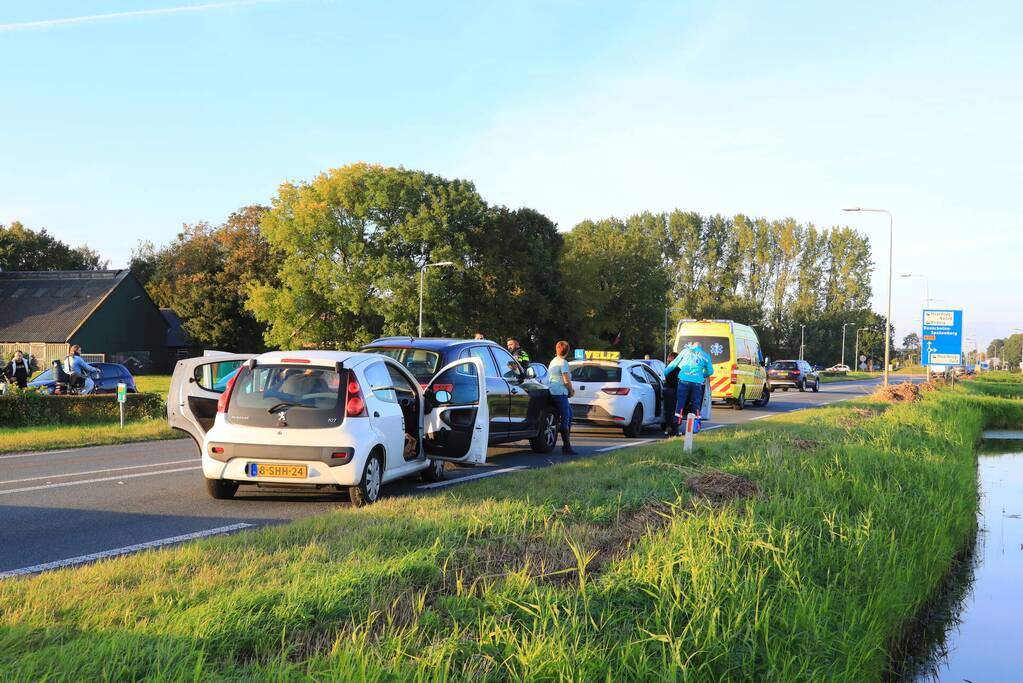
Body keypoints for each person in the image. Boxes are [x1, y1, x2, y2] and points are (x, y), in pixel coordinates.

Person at [664, 341, 714, 433]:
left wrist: (664, 373)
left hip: (684, 381)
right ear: (700, 348)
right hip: (697, 383)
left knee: (680, 404)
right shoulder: (706, 356)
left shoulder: (685, 351)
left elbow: (673, 364)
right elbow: (710, 371)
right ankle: (696, 428)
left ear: (692, 347)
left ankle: (676, 427)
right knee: (696, 405)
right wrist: (701, 375)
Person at [547, 340, 577, 455]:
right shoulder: (563, 363)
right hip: (560, 393)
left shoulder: (553, 361)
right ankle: (566, 446)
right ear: (567, 351)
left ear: (556, 349)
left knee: (569, 414)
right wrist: (571, 390)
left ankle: (565, 441)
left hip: (553, 391)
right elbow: (566, 380)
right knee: (566, 418)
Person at [662, 351, 680, 436]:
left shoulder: (667, 367)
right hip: (674, 390)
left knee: (667, 409)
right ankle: (674, 428)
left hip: (666, 389)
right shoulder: (677, 368)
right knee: (674, 410)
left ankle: (667, 426)